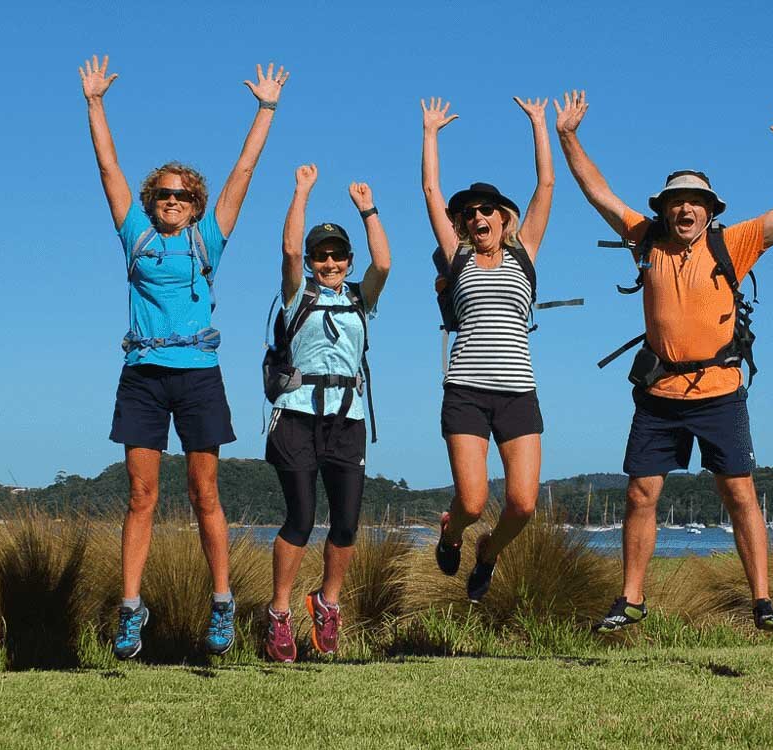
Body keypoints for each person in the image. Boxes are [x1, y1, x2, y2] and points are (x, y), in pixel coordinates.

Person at [555, 91, 773, 632]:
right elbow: (597, 193)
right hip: (659, 394)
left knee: (739, 492)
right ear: (664, 209)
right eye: (676, 201)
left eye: (695, 200)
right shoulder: (645, 240)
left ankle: (762, 601)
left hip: (720, 390)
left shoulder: (734, 244)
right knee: (640, 492)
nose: (685, 208)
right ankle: (631, 601)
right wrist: (568, 137)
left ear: (710, 210)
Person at [79, 55, 289, 659]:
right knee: (141, 495)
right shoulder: (134, 234)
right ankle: (130, 609)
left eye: (183, 194)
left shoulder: (208, 239)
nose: (172, 199)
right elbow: (107, 164)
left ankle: (221, 602)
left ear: (196, 204)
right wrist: (95, 102)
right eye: (164, 193)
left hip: (198, 377)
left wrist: (266, 108)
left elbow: (244, 171)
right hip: (142, 375)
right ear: (152, 200)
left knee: (205, 494)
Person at [420, 96, 553, 601]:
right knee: (472, 503)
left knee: (521, 505)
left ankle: (489, 553)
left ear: (503, 218)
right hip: (466, 391)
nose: (478, 215)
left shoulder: (525, 253)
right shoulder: (457, 258)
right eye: (469, 212)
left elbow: (546, 186)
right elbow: (431, 190)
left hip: (518, 392)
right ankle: (452, 533)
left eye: (487, 209)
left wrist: (540, 124)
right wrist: (431, 131)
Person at [263, 165, 390, 663]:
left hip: (348, 418)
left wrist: (368, 210)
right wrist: (300, 191)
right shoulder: (297, 293)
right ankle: (279, 615)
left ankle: (327, 603)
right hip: (295, 415)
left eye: (338, 255)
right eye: (323, 255)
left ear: (348, 260)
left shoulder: (361, 298)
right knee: (301, 517)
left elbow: (384, 262)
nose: (330, 262)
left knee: (346, 524)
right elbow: (289, 250)